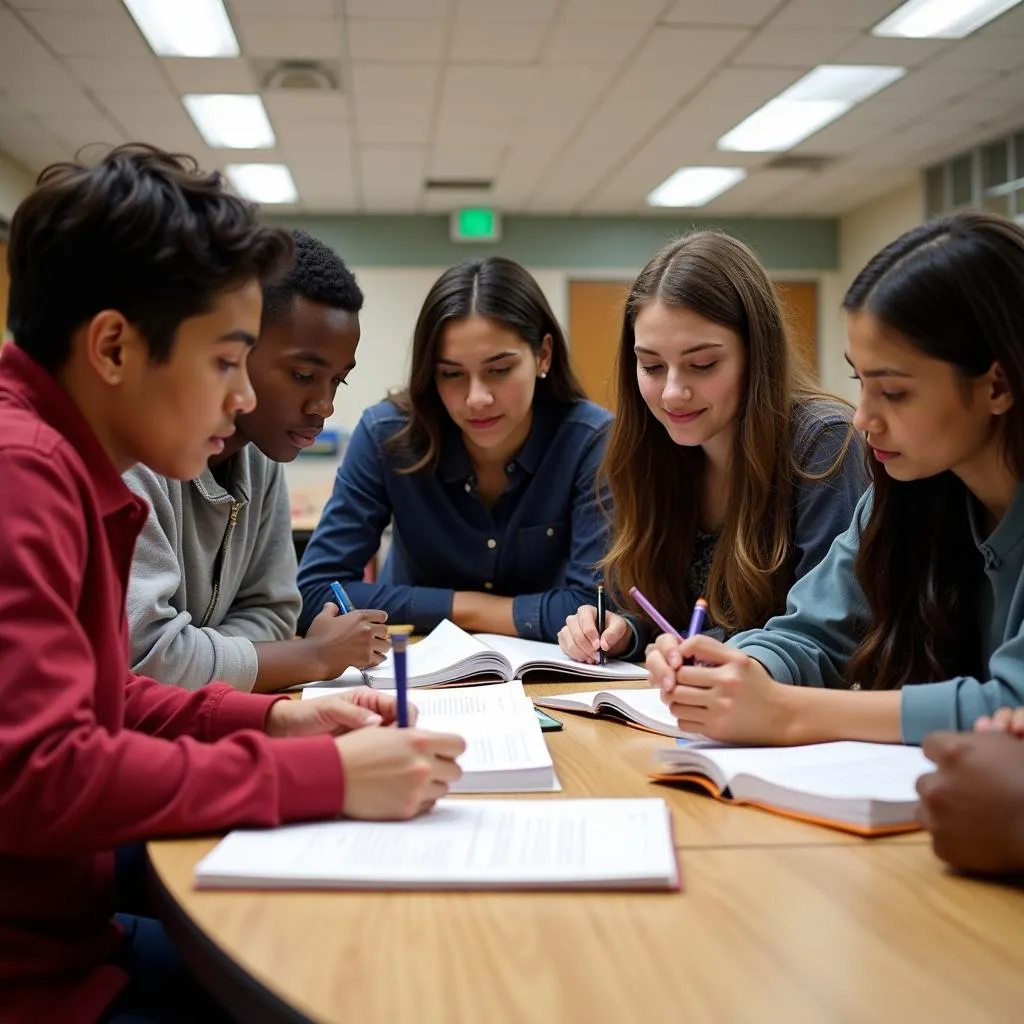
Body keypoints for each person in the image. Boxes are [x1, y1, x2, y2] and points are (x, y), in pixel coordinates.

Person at [0, 144, 463, 1024]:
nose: (242, 399)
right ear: (112, 347)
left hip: (73, 933)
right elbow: (41, 775)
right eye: (224, 362)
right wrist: (323, 779)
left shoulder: (62, 463)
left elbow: (108, 700)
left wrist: (279, 717)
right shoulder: (22, 475)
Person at [648, 212, 1024, 748]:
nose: (861, 417)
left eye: (893, 391)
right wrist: (736, 669)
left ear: (998, 385)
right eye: (859, 380)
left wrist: (786, 712)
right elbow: (813, 633)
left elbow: (1011, 704)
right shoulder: (903, 496)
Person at [557, 231, 864, 664]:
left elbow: (827, 631)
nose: (672, 394)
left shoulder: (823, 443)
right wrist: (627, 629)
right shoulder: (652, 446)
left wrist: (698, 650)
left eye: (702, 364)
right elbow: (667, 611)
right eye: (652, 366)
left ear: (758, 354)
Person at [124, 230, 388, 692]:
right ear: (235, 351)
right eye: (303, 375)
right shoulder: (135, 461)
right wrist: (308, 656)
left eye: (337, 382)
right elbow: (145, 659)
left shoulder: (261, 460)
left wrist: (200, 656)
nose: (323, 406)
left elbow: (275, 612)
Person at [297, 256, 613, 641]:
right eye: (451, 374)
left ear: (542, 355)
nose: (477, 398)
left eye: (499, 369)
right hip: (414, 667)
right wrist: (473, 607)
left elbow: (596, 608)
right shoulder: (386, 434)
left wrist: (428, 606)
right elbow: (315, 594)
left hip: (551, 673)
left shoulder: (590, 439)